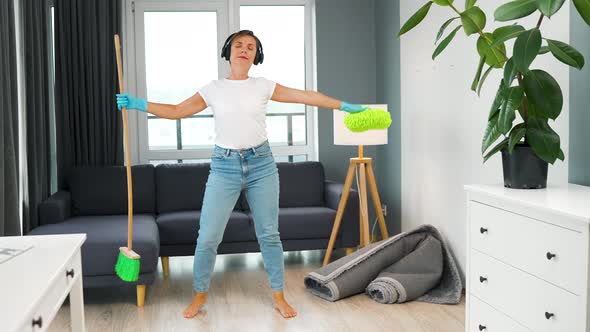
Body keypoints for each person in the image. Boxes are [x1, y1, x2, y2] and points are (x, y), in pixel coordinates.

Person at [116, 30, 367, 319]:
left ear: (256, 55)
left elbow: (305, 96)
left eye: (251, 46)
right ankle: (199, 295)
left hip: (261, 165)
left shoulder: (263, 85)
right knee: (208, 236)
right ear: (228, 51)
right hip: (224, 167)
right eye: (239, 45)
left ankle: (279, 296)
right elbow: (176, 110)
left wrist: (344, 107)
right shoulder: (213, 88)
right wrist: (139, 104)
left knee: (269, 235)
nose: (245, 49)